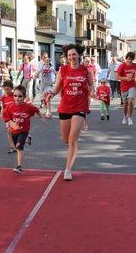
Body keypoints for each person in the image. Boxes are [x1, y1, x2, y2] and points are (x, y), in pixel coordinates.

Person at [46, 43, 95, 181]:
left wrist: (92, 93)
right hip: (65, 106)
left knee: (73, 138)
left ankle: (68, 170)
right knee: (66, 139)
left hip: (80, 106)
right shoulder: (63, 70)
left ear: (78, 55)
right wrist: (52, 94)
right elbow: (57, 86)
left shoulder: (86, 71)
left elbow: (91, 85)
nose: (72, 57)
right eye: (69, 55)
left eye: (74, 54)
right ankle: (71, 153)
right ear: (66, 57)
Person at [2, 85, 47, 174]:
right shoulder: (10, 107)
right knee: (16, 144)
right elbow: (6, 117)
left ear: (24, 97)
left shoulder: (28, 107)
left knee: (19, 148)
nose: (17, 98)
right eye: (15, 96)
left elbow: (36, 110)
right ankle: (28, 138)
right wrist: (13, 124)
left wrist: (41, 118)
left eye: (19, 96)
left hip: (24, 130)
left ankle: (19, 167)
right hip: (14, 131)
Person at [115, 52, 136, 126]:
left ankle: (130, 118)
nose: (129, 61)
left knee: (130, 101)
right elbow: (117, 76)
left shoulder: (135, 65)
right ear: (126, 59)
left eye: (131, 59)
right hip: (124, 86)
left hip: (132, 85)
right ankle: (124, 116)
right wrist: (125, 78)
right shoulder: (122, 66)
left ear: (133, 59)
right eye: (128, 59)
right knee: (125, 103)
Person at [1, 80, 16, 154]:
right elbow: (3, 107)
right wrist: (2, 114)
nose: (6, 91)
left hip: (16, 116)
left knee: (17, 131)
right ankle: (12, 146)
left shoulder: (15, 96)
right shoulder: (3, 98)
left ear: (12, 88)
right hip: (8, 116)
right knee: (8, 131)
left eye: (8, 89)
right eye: (5, 89)